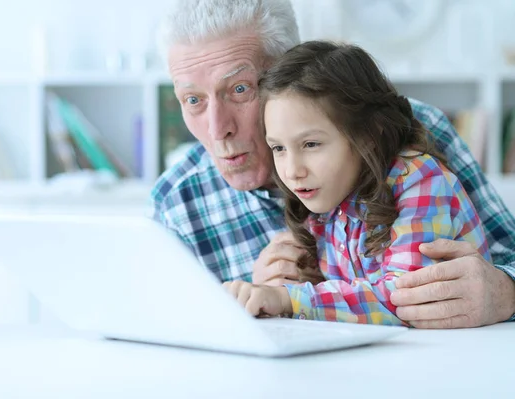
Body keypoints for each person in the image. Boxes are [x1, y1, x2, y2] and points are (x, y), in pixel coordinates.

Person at [150, 0, 515, 328]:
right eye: (193, 99)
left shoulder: (412, 139)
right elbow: (160, 334)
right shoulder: (176, 202)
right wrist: (247, 300)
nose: (218, 129)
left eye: (240, 89)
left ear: (287, 73)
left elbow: (400, 294)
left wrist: (505, 290)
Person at [223, 40, 490, 325]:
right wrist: (277, 282)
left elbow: (404, 298)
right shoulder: (325, 200)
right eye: (278, 148)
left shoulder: (419, 179)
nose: (292, 170)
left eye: (311, 144)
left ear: (368, 136)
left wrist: (289, 298)